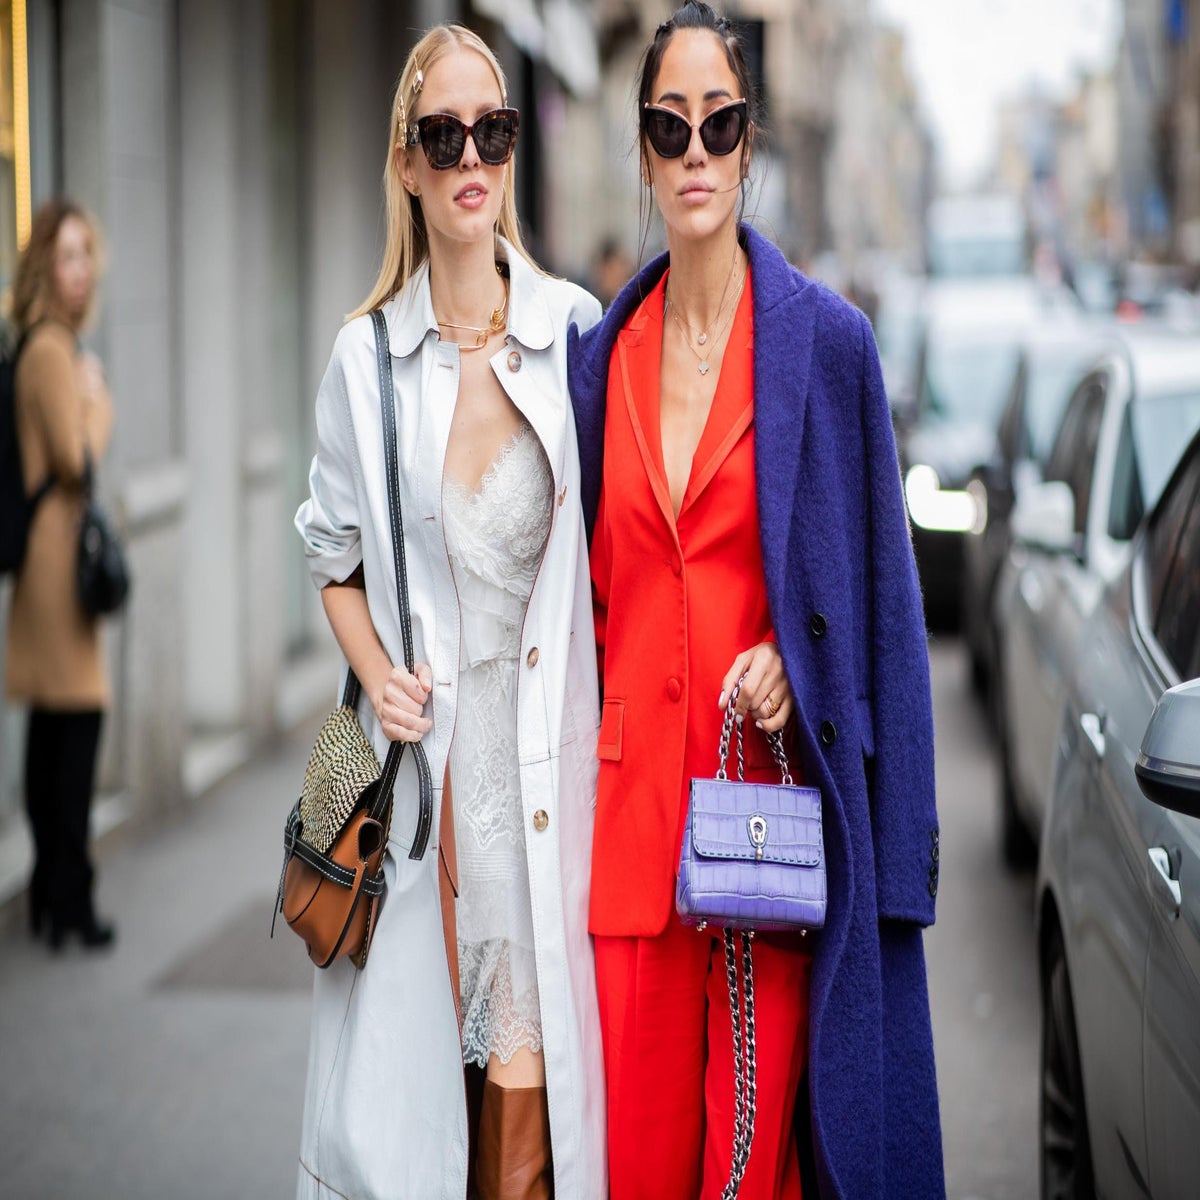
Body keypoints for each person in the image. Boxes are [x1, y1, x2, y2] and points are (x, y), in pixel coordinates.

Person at [567, 4, 944, 1197]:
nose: (694, 152)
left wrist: (794, 652)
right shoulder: (598, 364)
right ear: (641, 147)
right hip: (626, 853)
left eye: (718, 124)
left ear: (750, 143)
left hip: (761, 851)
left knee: (757, 1178)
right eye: (669, 127)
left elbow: (885, 610)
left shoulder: (828, 348)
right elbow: (573, 608)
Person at [293, 23, 605, 1200]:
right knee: (416, 1147)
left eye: (495, 130)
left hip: (545, 796)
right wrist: (375, 672)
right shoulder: (364, 359)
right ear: (408, 164)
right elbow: (329, 557)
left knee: (528, 1148)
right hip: (426, 800)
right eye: (444, 134)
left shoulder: (575, 333)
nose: (471, 154)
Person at [5, 199, 115, 952]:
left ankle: (54, 891)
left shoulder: (49, 345)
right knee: (77, 721)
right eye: (67, 255)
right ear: (44, 264)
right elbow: (77, 462)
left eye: (86, 255)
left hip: (49, 552)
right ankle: (68, 898)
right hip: (52, 559)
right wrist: (97, 398)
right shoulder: (51, 352)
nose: (80, 271)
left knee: (55, 727)